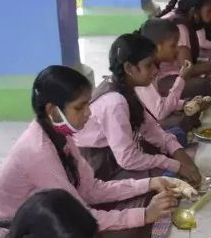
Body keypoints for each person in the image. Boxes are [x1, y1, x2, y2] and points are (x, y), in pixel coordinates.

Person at [0, 66, 181, 238]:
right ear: (53, 111)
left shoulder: (61, 135)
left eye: (87, 105)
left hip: (56, 216)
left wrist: (150, 183)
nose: (89, 113)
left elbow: (91, 189)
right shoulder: (38, 152)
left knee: (142, 195)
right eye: (80, 107)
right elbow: (81, 214)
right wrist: (145, 215)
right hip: (22, 233)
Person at [74, 33, 202, 186]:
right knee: (167, 178)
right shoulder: (114, 102)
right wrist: (174, 164)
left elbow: (151, 129)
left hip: (120, 154)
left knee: (175, 136)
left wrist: (181, 157)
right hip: (103, 168)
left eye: (155, 64)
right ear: (129, 68)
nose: (156, 71)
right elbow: (127, 159)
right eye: (149, 65)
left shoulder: (126, 88)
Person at [138, 19, 211, 137]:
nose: (177, 49)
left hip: (151, 116)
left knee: (188, 114)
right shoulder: (143, 71)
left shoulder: (153, 65)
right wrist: (181, 79)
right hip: (141, 128)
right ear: (157, 47)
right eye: (173, 45)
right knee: (180, 123)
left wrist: (186, 103)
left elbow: (158, 101)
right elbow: (160, 112)